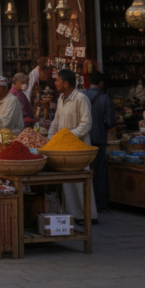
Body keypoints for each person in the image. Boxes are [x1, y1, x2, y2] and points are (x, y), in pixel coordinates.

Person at [48, 69, 98, 223]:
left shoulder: (81, 99)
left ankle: (88, 215)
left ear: (66, 83)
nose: (55, 83)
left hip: (78, 149)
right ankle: (73, 214)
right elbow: (56, 122)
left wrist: (69, 135)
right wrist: (50, 139)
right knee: (68, 184)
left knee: (81, 184)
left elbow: (86, 124)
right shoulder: (61, 98)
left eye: (57, 81)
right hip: (64, 149)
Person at [81, 71, 115, 212]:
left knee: (84, 170)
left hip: (83, 138)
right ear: (101, 84)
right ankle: (99, 204)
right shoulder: (105, 98)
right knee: (100, 171)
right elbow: (111, 121)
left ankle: (84, 201)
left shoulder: (82, 96)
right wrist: (103, 127)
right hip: (99, 138)